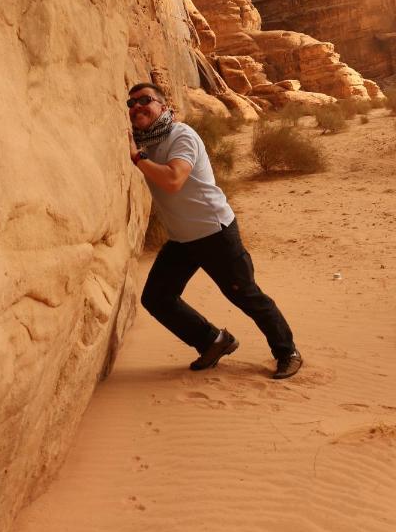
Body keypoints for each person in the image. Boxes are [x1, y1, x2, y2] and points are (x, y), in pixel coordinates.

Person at [127, 81, 302, 379]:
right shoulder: (146, 141)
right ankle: (213, 341)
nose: (137, 107)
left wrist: (137, 158)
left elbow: (173, 179)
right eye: (131, 104)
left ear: (164, 106)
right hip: (182, 238)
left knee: (245, 295)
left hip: (214, 232)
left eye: (145, 100)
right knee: (157, 298)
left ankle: (288, 352)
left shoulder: (180, 135)